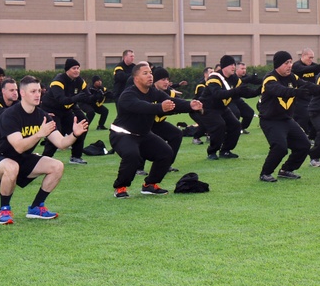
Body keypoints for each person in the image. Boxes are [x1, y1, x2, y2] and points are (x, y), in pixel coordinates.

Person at [0, 76, 87, 223]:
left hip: (22, 157)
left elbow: (62, 143)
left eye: (39, 91)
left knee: (57, 166)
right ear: (22, 93)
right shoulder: (10, 114)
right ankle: (4, 210)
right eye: (33, 91)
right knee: (12, 167)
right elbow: (18, 146)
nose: (38, 94)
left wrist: (75, 134)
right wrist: (39, 133)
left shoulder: (42, 116)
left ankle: (36, 207)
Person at [109, 62, 201, 198]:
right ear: (136, 78)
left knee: (166, 153)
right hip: (122, 134)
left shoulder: (153, 92)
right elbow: (141, 107)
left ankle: (150, 185)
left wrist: (190, 105)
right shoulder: (127, 95)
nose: (150, 76)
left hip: (143, 134)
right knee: (132, 155)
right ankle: (120, 187)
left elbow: (171, 102)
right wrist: (160, 107)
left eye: (150, 73)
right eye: (145, 73)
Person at [257, 51, 316, 182]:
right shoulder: (270, 79)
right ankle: (265, 173)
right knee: (280, 147)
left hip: (287, 120)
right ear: (278, 64)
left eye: (290, 62)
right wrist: (297, 92)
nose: (290, 65)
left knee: (304, 144)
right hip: (270, 120)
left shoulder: (292, 77)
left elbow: (308, 85)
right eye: (286, 63)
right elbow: (279, 90)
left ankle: (286, 170)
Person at [199, 55, 259, 160]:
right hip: (208, 108)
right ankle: (212, 152)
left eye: (234, 65)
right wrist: (236, 91)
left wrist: (260, 90)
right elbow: (217, 94)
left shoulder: (233, 78)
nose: (234, 67)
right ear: (224, 67)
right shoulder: (214, 78)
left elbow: (245, 91)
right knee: (220, 125)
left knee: (236, 125)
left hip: (222, 108)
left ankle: (225, 151)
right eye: (231, 65)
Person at [40, 58, 95, 165]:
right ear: (67, 70)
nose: (77, 71)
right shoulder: (58, 81)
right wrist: (76, 98)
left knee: (83, 124)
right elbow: (61, 100)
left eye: (78, 68)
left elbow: (87, 96)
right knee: (56, 132)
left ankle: (76, 156)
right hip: (52, 110)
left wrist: (95, 97)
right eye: (74, 68)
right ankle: (43, 160)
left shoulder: (80, 80)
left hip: (67, 109)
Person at [291, 48, 320, 139]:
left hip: (312, 97)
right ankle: (300, 136)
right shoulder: (296, 66)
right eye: (309, 57)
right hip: (300, 97)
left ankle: (311, 137)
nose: (311, 60)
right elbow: (305, 69)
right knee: (302, 117)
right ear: (303, 56)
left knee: (314, 116)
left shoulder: (314, 66)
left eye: (312, 58)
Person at [230, 62, 262, 134]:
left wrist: (266, 81)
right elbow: (243, 81)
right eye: (242, 69)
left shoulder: (246, 77)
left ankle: (241, 128)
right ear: (236, 69)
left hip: (237, 99)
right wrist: (250, 78)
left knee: (249, 113)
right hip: (229, 100)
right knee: (236, 113)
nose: (244, 70)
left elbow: (256, 82)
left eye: (245, 69)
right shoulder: (232, 78)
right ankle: (232, 130)